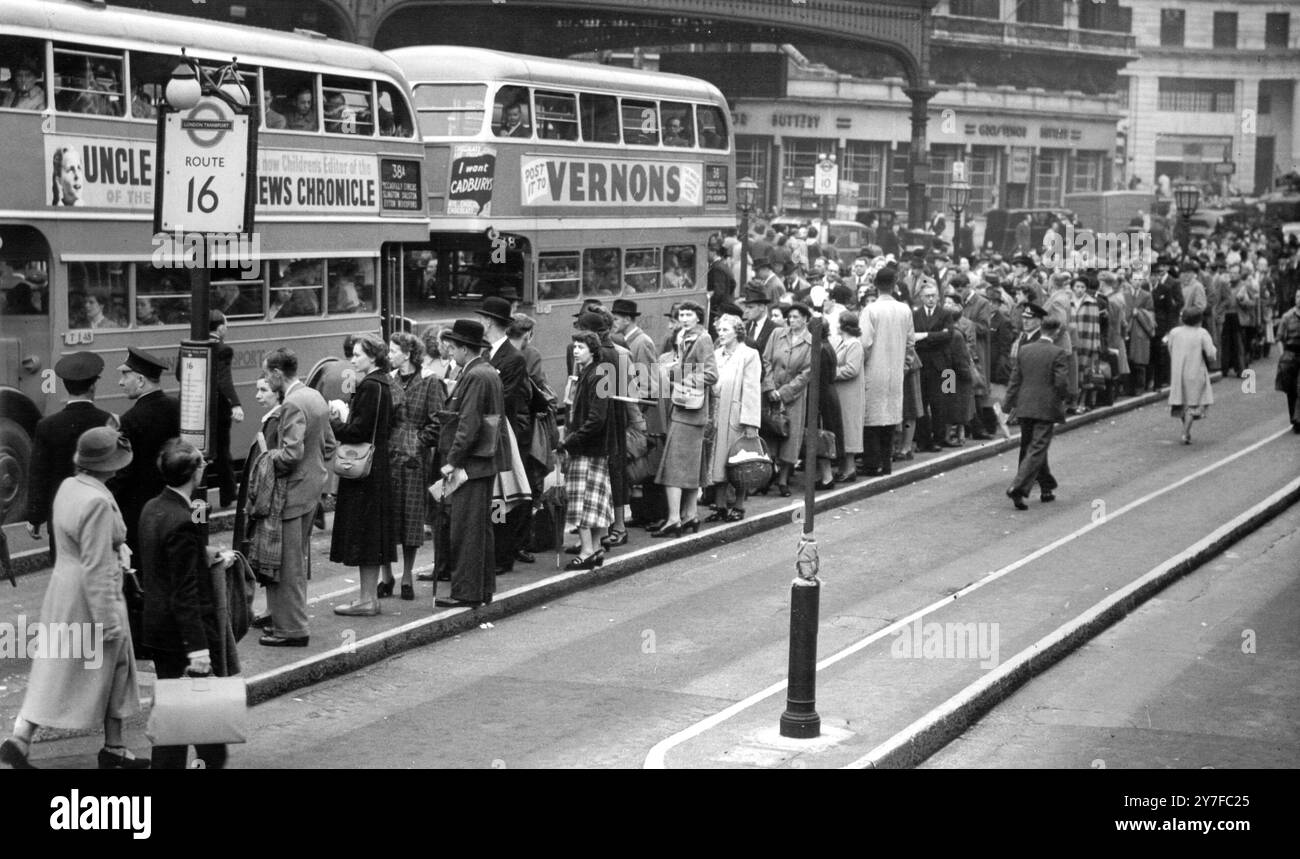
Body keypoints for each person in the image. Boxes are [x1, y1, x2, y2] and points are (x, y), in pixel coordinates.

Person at [0, 427, 146, 769]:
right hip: (91, 596)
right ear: (108, 465)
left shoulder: (70, 486)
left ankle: (26, 740)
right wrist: (108, 621)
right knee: (104, 667)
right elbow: (95, 564)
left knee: (60, 667)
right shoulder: (96, 501)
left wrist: (115, 543)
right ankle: (111, 749)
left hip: (63, 589)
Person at [139, 440, 232, 769]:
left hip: (157, 628)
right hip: (182, 635)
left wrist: (200, 555)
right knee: (205, 731)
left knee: (174, 721)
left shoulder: (153, 508)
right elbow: (185, 591)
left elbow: (162, 563)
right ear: (193, 474)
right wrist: (198, 650)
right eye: (200, 465)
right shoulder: (183, 520)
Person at [258, 347, 336, 646]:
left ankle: (291, 629)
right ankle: (287, 621)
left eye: (267, 374)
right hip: (312, 488)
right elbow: (328, 444)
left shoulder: (291, 403)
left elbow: (291, 453)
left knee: (287, 564)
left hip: (292, 492)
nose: (266, 379)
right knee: (296, 560)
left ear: (278, 374)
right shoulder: (313, 396)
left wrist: (266, 456)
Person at [435, 319, 509, 609]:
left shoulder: (475, 376)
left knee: (465, 529)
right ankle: (481, 588)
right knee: (480, 529)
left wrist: (452, 461)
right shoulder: (486, 371)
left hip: (472, 463)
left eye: (454, 348)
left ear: (465, 349)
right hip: (483, 461)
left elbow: (468, 423)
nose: (451, 354)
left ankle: (466, 591)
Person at [25, 351, 114, 566]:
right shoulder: (107, 421)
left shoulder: (47, 426)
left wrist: (35, 518)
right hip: (98, 510)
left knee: (65, 569)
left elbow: (39, 474)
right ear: (93, 386)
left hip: (61, 513)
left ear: (65, 387)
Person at [329, 334, 397, 617]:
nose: (353, 359)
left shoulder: (369, 386)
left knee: (364, 533)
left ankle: (367, 599)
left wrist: (335, 423)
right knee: (371, 534)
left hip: (363, 472)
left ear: (372, 356)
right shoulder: (384, 384)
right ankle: (366, 597)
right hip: (378, 466)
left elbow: (358, 431)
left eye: (358, 355)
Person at [381, 332, 444, 600]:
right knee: (385, 518)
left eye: (393, 350)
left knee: (411, 518)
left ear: (407, 354)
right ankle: (386, 577)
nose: (388, 355)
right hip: (388, 457)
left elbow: (438, 420)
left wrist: (418, 441)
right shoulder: (388, 380)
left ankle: (406, 576)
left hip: (415, 462)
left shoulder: (430, 381)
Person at [653, 301, 718, 535]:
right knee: (691, 467)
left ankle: (674, 519)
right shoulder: (683, 336)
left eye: (690, 314)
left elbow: (711, 374)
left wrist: (680, 378)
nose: (685, 317)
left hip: (691, 409)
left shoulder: (703, 339)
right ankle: (690, 515)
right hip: (682, 407)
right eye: (681, 314)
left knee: (674, 467)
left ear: (699, 317)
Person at [112, 347, 180, 564]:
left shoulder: (129, 421)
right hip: (176, 510)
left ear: (140, 380)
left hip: (139, 516)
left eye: (125, 375)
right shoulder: (179, 409)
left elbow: (122, 475)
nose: (121, 383)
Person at [559, 331, 615, 568]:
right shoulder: (588, 372)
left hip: (587, 448)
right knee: (593, 500)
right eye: (574, 347)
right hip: (592, 448)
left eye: (580, 347)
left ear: (593, 350)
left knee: (581, 500)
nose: (575, 351)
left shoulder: (599, 374)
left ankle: (587, 550)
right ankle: (596, 547)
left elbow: (597, 419)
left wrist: (571, 440)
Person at [1004, 308, 1069, 510]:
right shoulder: (1058, 353)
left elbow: (1015, 380)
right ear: (1057, 332)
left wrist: (1008, 405)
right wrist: (1062, 399)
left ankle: (1046, 486)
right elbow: (1060, 383)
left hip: (1025, 405)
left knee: (1031, 446)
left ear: (1041, 328)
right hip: (1046, 406)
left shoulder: (1025, 350)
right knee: (1038, 447)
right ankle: (1019, 486)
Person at [706, 314, 761, 521]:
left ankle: (738, 505)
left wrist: (750, 423)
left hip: (736, 415)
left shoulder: (749, 354)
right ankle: (720, 506)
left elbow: (752, 389)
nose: (721, 334)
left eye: (726, 330)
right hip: (717, 413)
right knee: (717, 461)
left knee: (739, 463)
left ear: (737, 332)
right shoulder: (716, 354)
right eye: (719, 330)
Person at [860, 267, 914, 474]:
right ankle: (887, 462)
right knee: (890, 417)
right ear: (894, 285)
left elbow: (864, 343)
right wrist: (905, 365)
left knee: (872, 418)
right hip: (896, 371)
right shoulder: (904, 310)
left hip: (873, 369)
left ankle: (872, 464)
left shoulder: (870, 310)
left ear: (875, 285)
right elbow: (910, 343)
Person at [762, 302, 814, 496]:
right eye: (790, 317)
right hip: (771, 393)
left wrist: (784, 392)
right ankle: (768, 476)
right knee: (770, 433)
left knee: (789, 437)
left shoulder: (811, 342)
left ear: (806, 319)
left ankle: (783, 479)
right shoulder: (777, 334)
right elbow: (766, 360)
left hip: (794, 396)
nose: (792, 321)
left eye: (797, 317)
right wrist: (769, 387)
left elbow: (807, 373)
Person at [912, 282, 955, 451]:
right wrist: (935, 336)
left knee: (940, 402)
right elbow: (912, 336)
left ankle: (939, 438)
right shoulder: (916, 314)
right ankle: (924, 440)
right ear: (922, 298)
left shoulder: (945, 314)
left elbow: (947, 336)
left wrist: (924, 336)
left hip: (942, 365)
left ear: (938, 297)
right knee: (921, 402)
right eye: (927, 296)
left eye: (933, 296)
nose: (930, 299)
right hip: (922, 363)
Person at [1165, 308, 1217, 445]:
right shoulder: (1202, 333)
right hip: (1195, 369)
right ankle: (1185, 432)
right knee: (1193, 402)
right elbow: (1211, 353)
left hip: (1178, 370)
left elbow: (1170, 348)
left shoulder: (1174, 332)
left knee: (1182, 401)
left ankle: (1185, 430)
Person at [832, 311, 865, 482]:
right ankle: (845, 467)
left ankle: (850, 468)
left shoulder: (854, 344)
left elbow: (852, 369)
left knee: (849, 428)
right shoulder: (843, 343)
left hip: (850, 394)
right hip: (842, 392)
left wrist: (832, 372)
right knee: (843, 428)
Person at [1275, 289, 1300, 433]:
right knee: (1290, 389)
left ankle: (1298, 419)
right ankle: (1294, 418)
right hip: (1290, 355)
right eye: (1297, 296)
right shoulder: (1287, 317)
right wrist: (1282, 355)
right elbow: (1279, 338)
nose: (1299, 299)